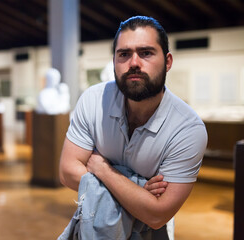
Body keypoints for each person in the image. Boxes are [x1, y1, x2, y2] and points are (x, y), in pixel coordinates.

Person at [58, 16, 207, 238]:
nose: (134, 63)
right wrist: (139, 191)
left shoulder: (187, 129)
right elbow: (68, 171)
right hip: (95, 228)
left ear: (167, 62)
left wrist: (101, 167)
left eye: (146, 53)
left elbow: (157, 214)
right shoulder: (93, 100)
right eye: (124, 54)